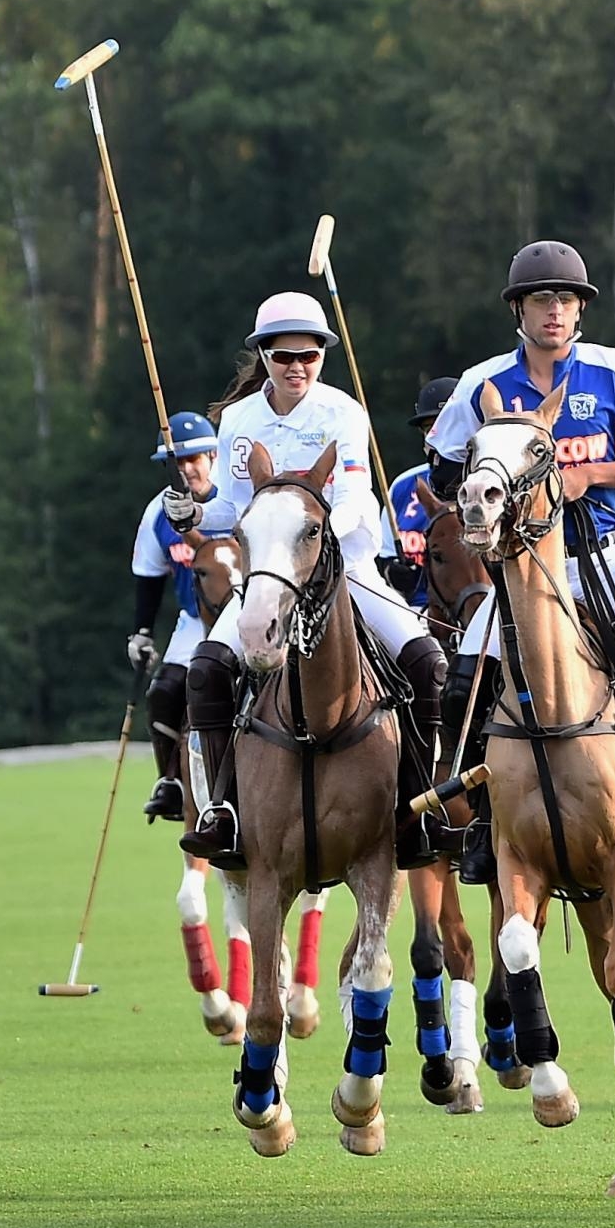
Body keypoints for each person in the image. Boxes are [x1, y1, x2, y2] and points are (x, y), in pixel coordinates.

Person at [428, 240, 615, 850]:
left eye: (565, 299)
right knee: (463, 683)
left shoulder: (614, 370)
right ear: (519, 312)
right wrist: (478, 498)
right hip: (520, 564)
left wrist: (588, 475)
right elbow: (443, 471)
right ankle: (478, 816)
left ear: (580, 310)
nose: (553, 311)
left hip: (605, 548)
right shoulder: (482, 384)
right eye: (539, 300)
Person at [165, 291, 447, 870]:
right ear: (263, 355)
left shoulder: (342, 412)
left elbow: (354, 498)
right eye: (284, 355)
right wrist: (195, 513)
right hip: (267, 575)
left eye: (309, 355)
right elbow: (233, 508)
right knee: (206, 671)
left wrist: (314, 540)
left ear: (322, 356)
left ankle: (418, 807)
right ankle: (224, 809)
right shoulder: (240, 420)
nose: (297, 366)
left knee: (426, 660)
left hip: (346, 570)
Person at [128, 412, 227, 822]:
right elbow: (148, 576)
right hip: (193, 621)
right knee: (164, 693)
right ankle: (172, 781)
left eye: (195, 459)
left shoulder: (237, 499)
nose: (187, 470)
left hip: (247, 615)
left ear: (213, 456)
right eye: (178, 463)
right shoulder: (158, 513)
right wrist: (143, 632)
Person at [381, 377, 461, 609]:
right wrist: (393, 573)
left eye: (449, 427)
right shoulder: (402, 487)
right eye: (430, 429)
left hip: (482, 612)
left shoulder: (489, 484)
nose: (439, 437)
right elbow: (384, 559)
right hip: (417, 611)